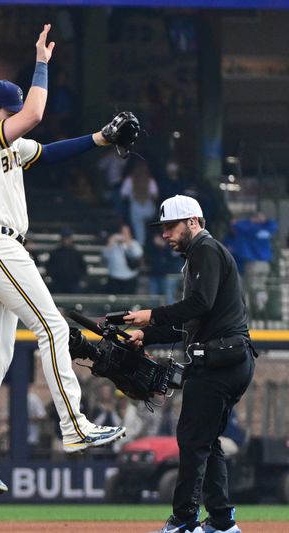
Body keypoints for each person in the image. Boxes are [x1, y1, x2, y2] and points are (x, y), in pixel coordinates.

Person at [0, 24, 127, 494]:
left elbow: (46, 153)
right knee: (53, 328)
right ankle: (74, 425)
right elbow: (34, 114)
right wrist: (41, 63)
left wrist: (101, 138)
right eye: (5, 113)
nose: (12, 120)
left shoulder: (2, 145)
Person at [124, 194, 256, 533]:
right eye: (163, 227)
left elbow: (199, 303)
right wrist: (148, 335)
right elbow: (191, 321)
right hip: (229, 359)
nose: (165, 233)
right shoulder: (200, 254)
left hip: (218, 361)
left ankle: (183, 521)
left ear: (193, 222)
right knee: (206, 441)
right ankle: (224, 522)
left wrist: (152, 316)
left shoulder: (205, 250)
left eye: (171, 226)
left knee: (192, 440)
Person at [103, 224, 143, 294]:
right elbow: (105, 256)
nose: (124, 235)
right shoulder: (113, 244)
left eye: (126, 232)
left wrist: (128, 244)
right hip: (114, 278)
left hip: (130, 278)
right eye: (122, 232)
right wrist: (111, 242)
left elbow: (138, 255)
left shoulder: (134, 244)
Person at [45, 228, 86, 294]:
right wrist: (54, 276)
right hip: (58, 282)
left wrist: (78, 276)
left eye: (68, 238)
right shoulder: (55, 253)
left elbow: (83, 268)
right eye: (65, 238)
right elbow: (49, 267)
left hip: (73, 283)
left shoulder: (76, 253)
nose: (66, 240)